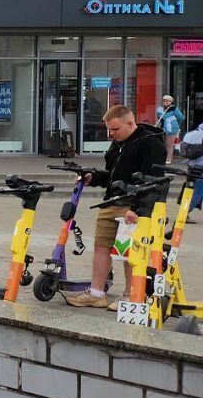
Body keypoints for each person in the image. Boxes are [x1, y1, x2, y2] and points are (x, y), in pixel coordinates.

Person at [62, 105, 166, 309]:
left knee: (131, 253)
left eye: (115, 129)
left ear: (130, 123)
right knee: (101, 248)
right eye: (109, 130)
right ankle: (96, 293)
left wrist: (137, 209)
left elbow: (153, 181)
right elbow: (112, 175)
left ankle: (130, 296)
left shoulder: (151, 144)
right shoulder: (117, 144)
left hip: (134, 205)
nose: (111, 134)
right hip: (111, 202)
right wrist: (94, 178)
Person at [157, 95, 187, 165]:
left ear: (171, 102)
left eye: (167, 101)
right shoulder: (160, 109)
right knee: (162, 144)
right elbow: (160, 118)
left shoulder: (174, 109)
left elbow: (181, 118)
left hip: (171, 129)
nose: (165, 102)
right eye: (164, 101)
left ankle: (168, 159)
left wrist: (175, 124)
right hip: (162, 129)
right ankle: (162, 158)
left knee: (169, 145)